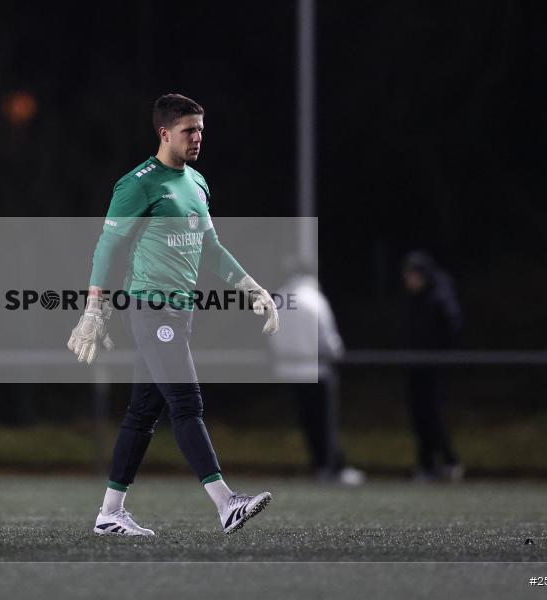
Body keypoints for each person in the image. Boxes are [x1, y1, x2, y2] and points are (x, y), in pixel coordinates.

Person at [67, 94, 279, 536]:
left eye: (200, 129)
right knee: (186, 402)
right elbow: (107, 247)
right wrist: (94, 309)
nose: (198, 137)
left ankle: (109, 513)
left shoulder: (197, 182)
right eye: (188, 130)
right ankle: (226, 503)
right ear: (165, 133)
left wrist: (250, 286)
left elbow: (210, 248)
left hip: (180, 311)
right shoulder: (137, 184)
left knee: (143, 412)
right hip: (151, 309)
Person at [270, 262, 365, 486]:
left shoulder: (280, 299)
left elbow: (273, 336)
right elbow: (328, 337)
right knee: (324, 420)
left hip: (291, 370)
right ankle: (333, 466)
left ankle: (321, 465)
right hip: (318, 370)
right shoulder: (315, 299)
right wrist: (336, 354)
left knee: (309, 420)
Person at [401, 250, 464, 481]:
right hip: (418, 364)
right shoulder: (417, 298)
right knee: (421, 415)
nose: (407, 280)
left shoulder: (439, 296)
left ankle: (448, 462)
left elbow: (452, 325)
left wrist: (439, 352)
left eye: (411, 275)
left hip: (433, 366)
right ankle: (428, 464)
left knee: (433, 415)